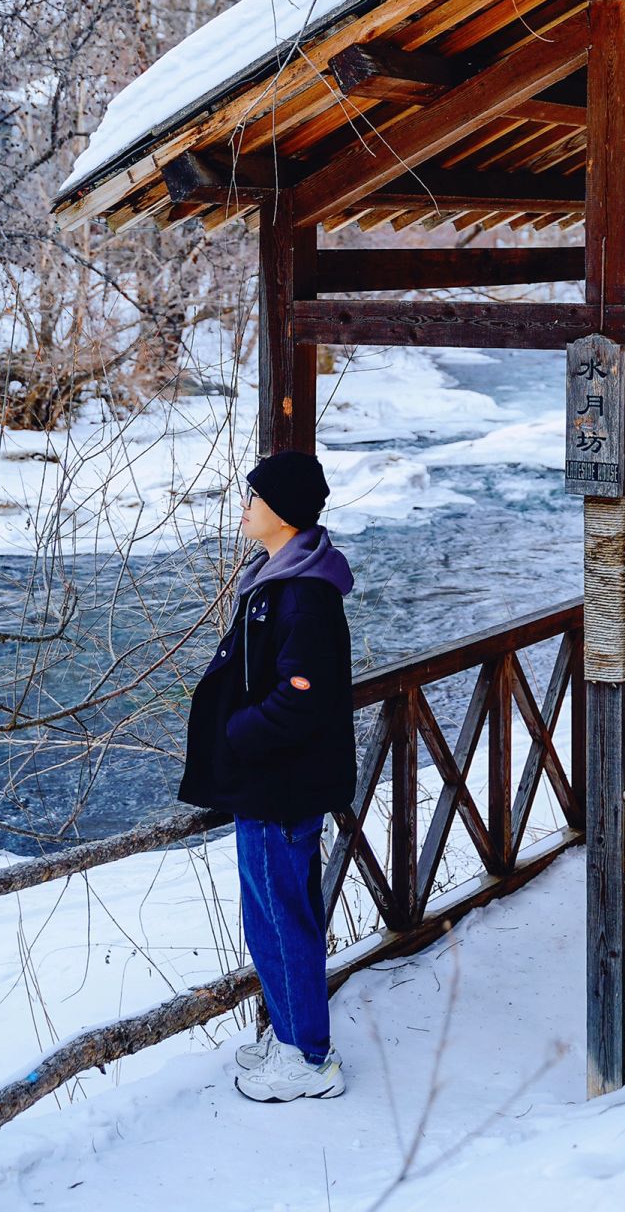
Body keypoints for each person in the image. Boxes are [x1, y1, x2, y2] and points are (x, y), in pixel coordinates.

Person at [179, 447, 357, 1102]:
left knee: (280, 920)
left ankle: (308, 1059)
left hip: (279, 782)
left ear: (280, 511)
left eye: (253, 497)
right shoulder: (280, 573)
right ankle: (291, 1037)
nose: (245, 506)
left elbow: (302, 693)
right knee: (275, 915)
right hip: (270, 780)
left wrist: (239, 735)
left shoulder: (302, 593)